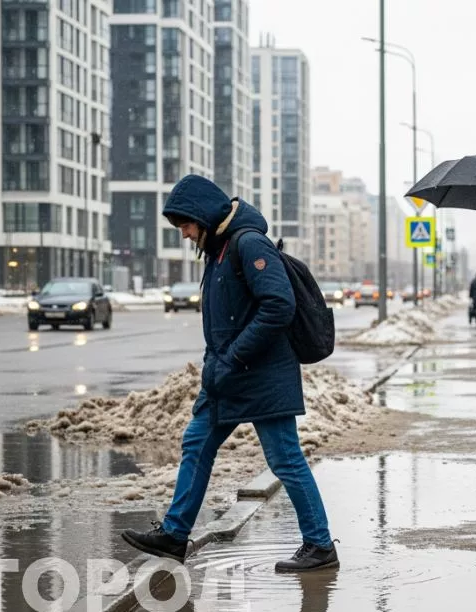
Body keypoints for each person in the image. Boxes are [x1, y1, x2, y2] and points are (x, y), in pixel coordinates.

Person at [121, 175, 338, 572]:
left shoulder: (248, 244)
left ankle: (320, 545)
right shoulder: (219, 250)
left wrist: (233, 357)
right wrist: (216, 367)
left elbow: (278, 305)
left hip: (260, 374)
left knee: (285, 459)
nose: (184, 234)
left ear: (203, 216)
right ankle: (174, 535)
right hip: (226, 376)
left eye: (185, 225)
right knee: (196, 444)